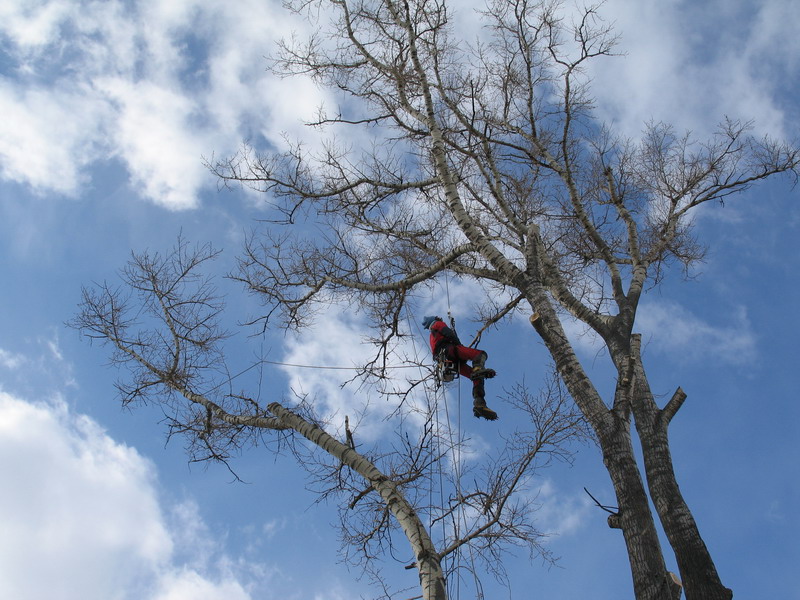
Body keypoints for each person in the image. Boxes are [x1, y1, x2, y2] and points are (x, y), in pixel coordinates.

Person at [421, 315, 498, 420]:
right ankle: (478, 369)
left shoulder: (431, 337)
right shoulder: (437, 324)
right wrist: (460, 346)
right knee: (480, 355)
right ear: (434, 320)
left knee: (477, 377)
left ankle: (479, 404)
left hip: (449, 363)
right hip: (450, 352)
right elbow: (449, 334)